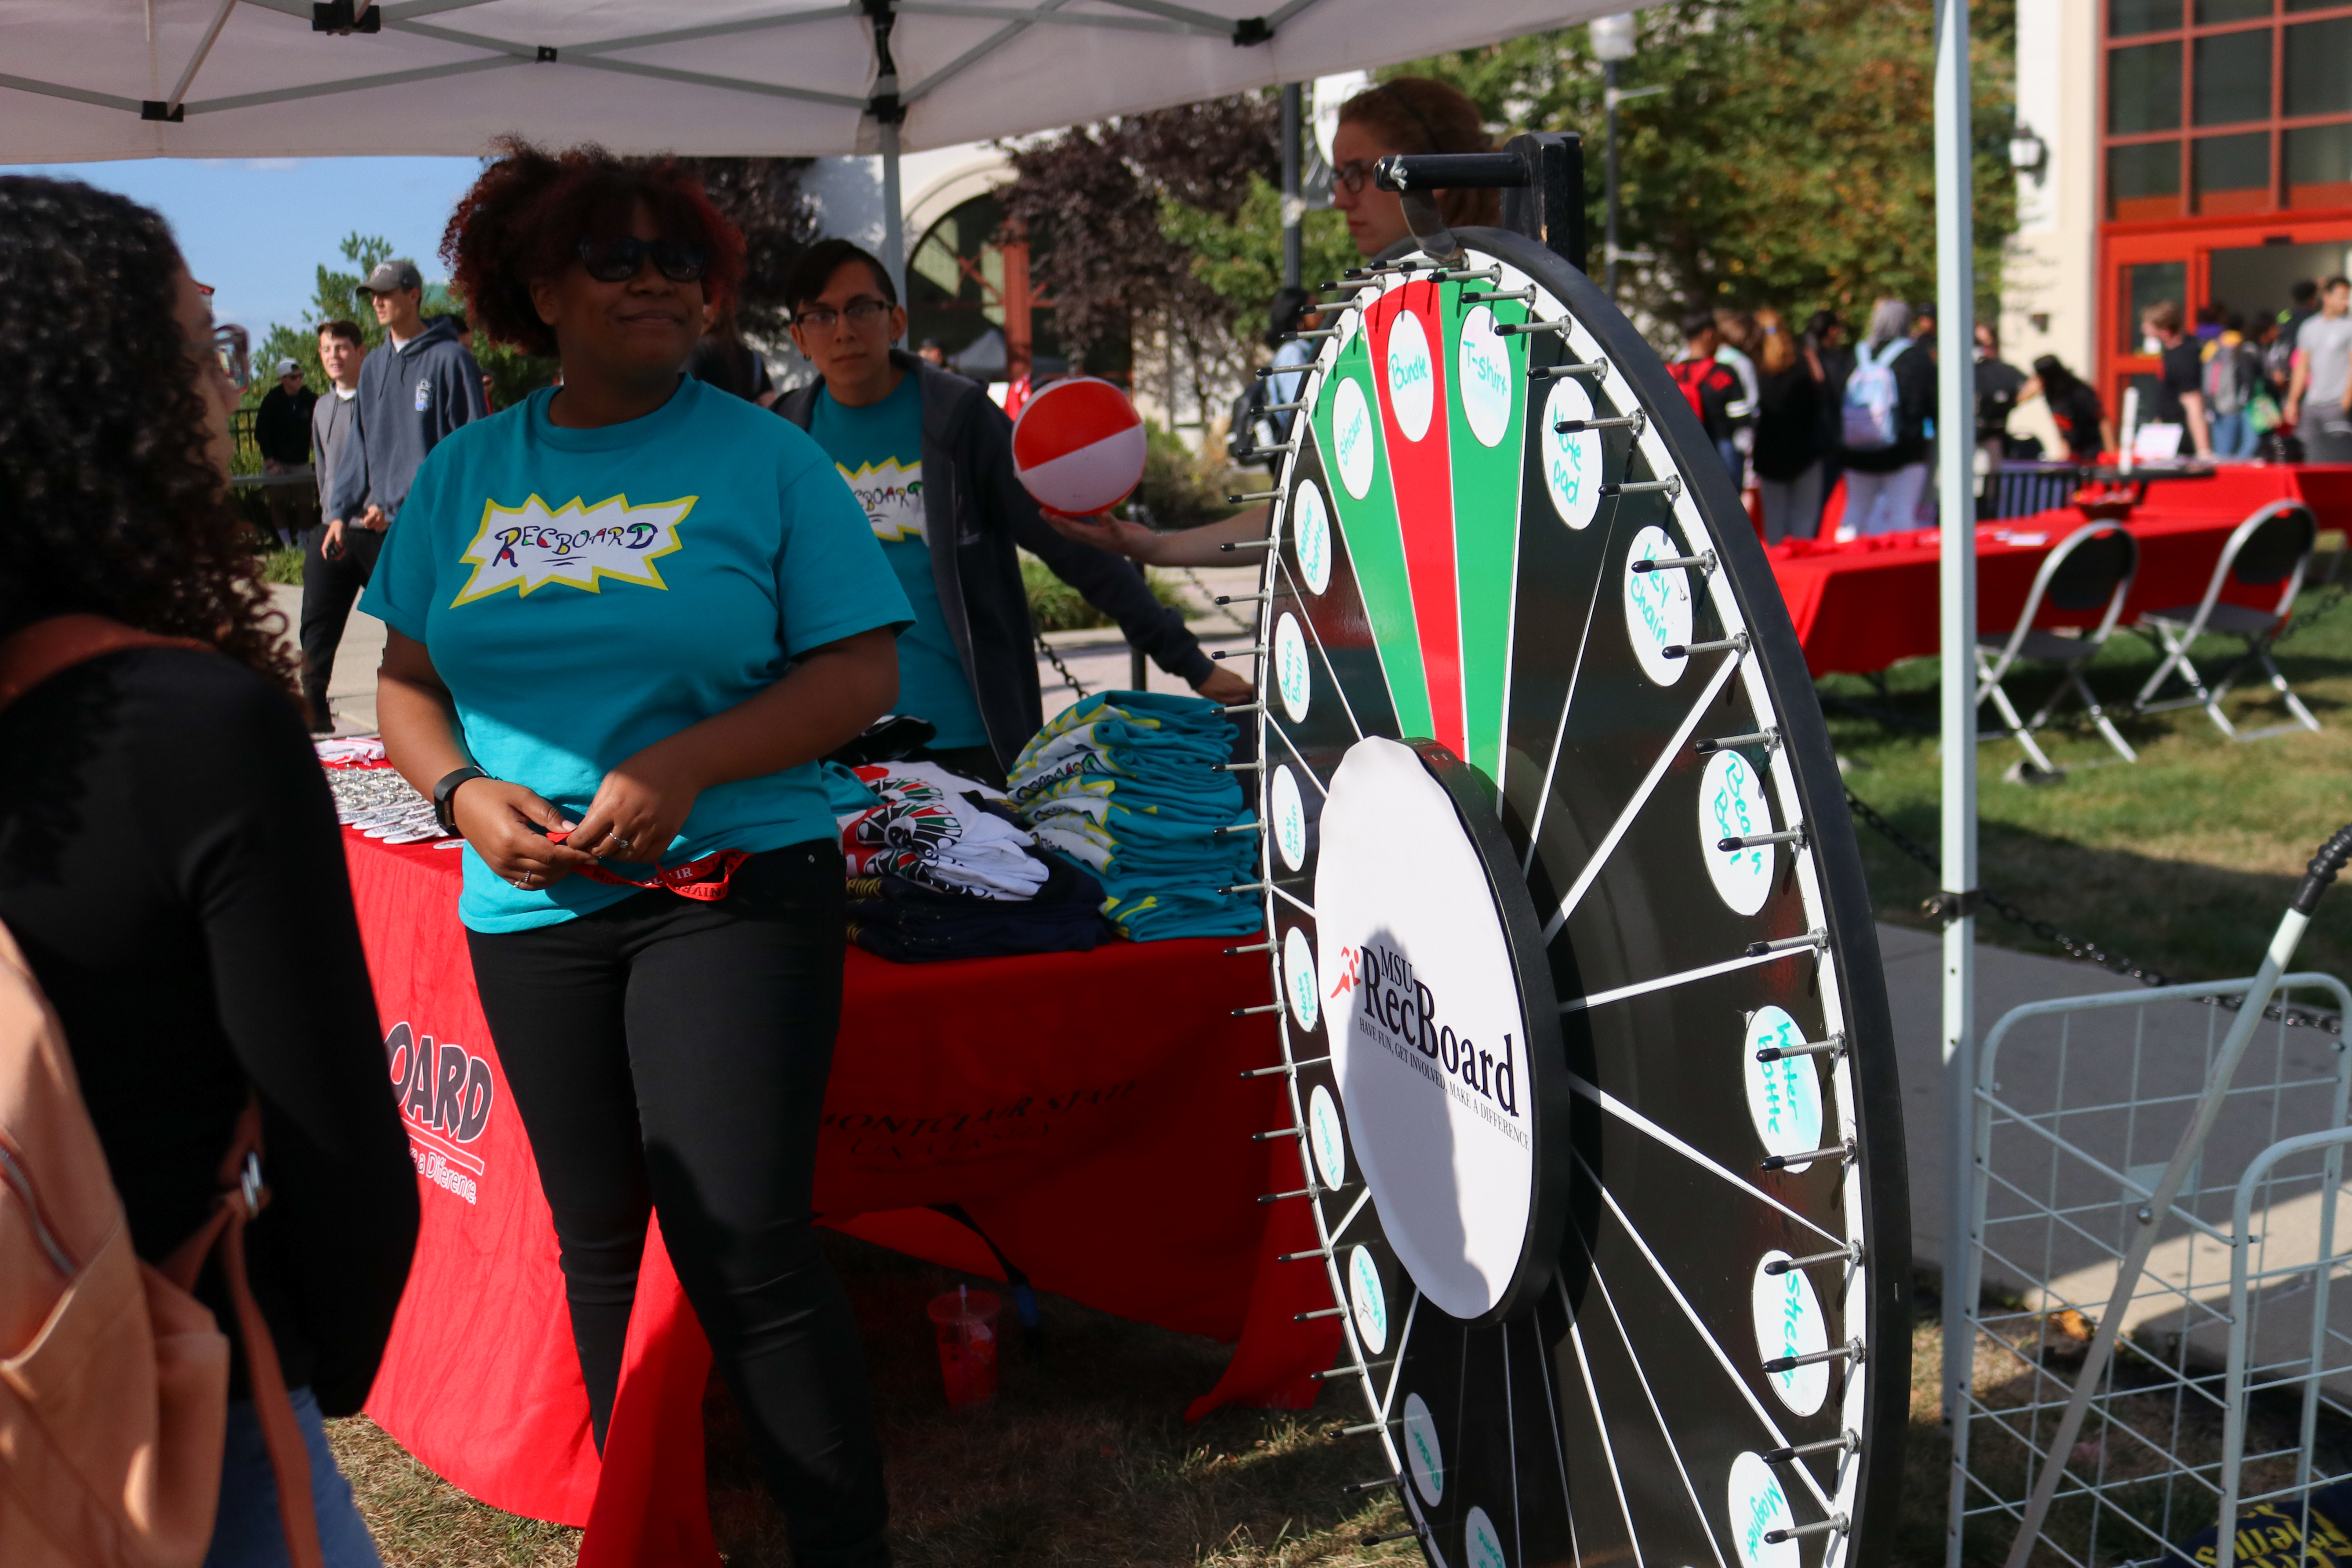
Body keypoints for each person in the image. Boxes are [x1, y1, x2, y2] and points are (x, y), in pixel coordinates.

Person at [366, 142, 903, 1568]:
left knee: (742, 1242)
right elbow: (406, 679)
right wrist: (462, 790)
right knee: (598, 1240)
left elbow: (860, 670)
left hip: (730, 887)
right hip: (527, 902)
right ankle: (655, 1525)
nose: (656, 281)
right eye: (617, 257)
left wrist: (684, 764)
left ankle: (838, 1543)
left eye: (680, 260)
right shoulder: (465, 473)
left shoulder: (767, 457)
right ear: (536, 289)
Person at [0, 174, 417, 1567]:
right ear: (100, 393)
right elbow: (338, 1139)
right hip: (177, 1374)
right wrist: (311, 1361)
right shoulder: (189, 724)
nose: (221, 382)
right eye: (198, 344)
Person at [774, 238, 1249, 785]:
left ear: (896, 319)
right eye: (820, 315)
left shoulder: (959, 420)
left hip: (969, 738)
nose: (843, 330)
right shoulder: (785, 439)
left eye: (861, 308)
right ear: (798, 338)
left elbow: (1072, 545)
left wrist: (1188, 661)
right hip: (833, 743)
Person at [323, 256, 489, 550]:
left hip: (442, 524)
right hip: (387, 528)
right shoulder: (372, 365)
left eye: (386, 294)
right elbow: (359, 444)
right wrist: (340, 513)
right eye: (373, 295)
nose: (377, 302)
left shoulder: (451, 359)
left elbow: (473, 447)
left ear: (414, 295)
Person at [1328, 77, 1501, 260]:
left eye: (1356, 173)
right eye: (1339, 176)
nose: (1340, 201)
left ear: (1433, 174)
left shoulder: (1513, 276)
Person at [303, 319, 371, 731]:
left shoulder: (380, 402)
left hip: (379, 528)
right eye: (327, 349)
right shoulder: (322, 406)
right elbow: (323, 470)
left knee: (407, 624)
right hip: (333, 531)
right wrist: (331, 517)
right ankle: (315, 715)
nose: (334, 356)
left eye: (343, 347)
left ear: (361, 352)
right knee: (317, 624)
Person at [1839, 298, 1936, 537]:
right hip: (1904, 450)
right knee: (1902, 515)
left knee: (1855, 514)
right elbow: (1929, 401)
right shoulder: (1915, 356)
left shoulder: (1858, 353)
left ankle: (1843, 564)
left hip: (1857, 449)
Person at [1750, 309, 1824, 543]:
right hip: (1806, 453)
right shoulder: (1803, 362)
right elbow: (1823, 395)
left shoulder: (1754, 368)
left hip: (1770, 456)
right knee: (1805, 525)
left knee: (1775, 527)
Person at [1668, 309, 1744, 484]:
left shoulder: (1671, 373)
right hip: (1721, 448)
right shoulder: (1725, 373)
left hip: (1683, 452)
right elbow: (1742, 418)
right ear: (1709, 334)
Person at [2285, 276, 2352, 463]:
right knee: (2310, 457)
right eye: (2342, 297)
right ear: (2327, 297)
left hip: (2337, 405)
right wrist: (2293, 401)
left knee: (2339, 459)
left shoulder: (2349, 328)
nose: (2345, 302)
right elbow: (2302, 367)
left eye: (2348, 297)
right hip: (2312, 405)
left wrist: (2347, 399)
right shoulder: (2309, 328)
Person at [254, 355, 318, 547]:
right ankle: (287, 545)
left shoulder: (310, 398)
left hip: (301, 462)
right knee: (277, 502)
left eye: (301, 376)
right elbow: (262, 432)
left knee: (307, 503)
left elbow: (318, 426)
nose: (298, 380)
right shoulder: (272, 401)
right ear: (283, 380)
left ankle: (302, 544)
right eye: (293, 377)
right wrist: (271, 462)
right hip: (277, 463)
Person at [2141, 300, 2212, 459]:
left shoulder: (2183, 357)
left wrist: (2203, 451)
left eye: (2148, 324)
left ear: (2164, 330)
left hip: (2183, 443)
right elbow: (2169, 395)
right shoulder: (2171, 351)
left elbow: (2194, 404)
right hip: (2169, 436)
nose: (2143, 329)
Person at [2024, 355, 2114, 461]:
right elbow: (2063, 428)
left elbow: (2103, 420)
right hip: (2075, 456)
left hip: (2096, 453)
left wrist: (2110, 455)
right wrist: (2064, 458)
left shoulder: (2079, 392)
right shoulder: (2052, 395)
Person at [1807, 310, 1854, 505]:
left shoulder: (1804, 357)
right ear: (1833, 331)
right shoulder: (1840, 360)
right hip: (1833, 437)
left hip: (1810, 439)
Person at [2202, 312, 2261, 460]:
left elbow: (2204, 374)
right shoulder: (2245, 346)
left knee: (2222, 450)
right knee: (2247, 444)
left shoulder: (2212, 346)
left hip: (2216, 403)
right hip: (2240, 402)